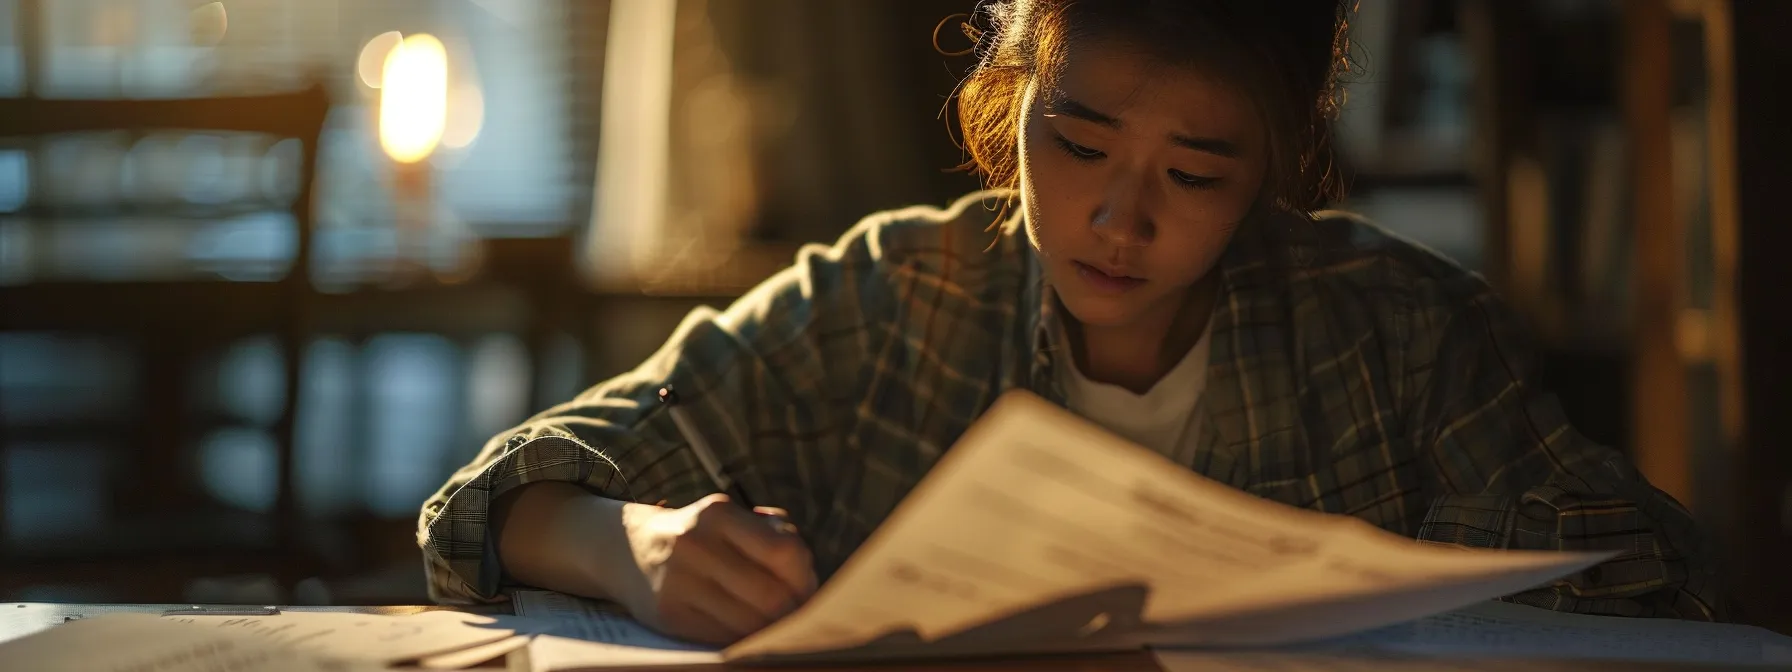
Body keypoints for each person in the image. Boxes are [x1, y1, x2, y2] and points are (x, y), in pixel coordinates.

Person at [418, 0, 1726, 645]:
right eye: (1080, 141)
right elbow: (482, 510)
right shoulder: (894, 300)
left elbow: (1648, 584)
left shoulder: (1395, 330)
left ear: (1274, 171)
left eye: (1196, 174)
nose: (1119, 218)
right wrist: (628, 543)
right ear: (1014, 98)